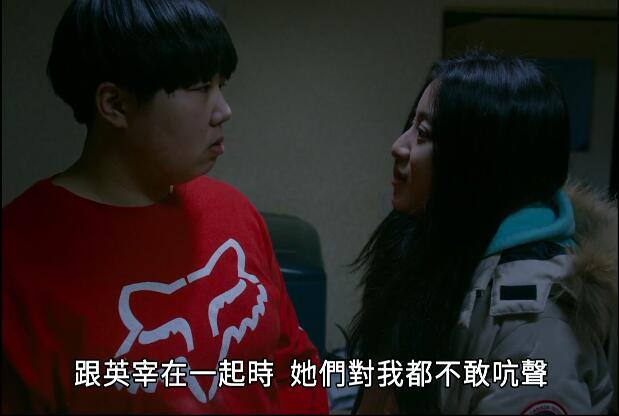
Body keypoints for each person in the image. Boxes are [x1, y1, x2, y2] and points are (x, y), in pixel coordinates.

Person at [1, 0, 328, 413]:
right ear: (115, 104)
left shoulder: (232, 211)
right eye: (200, 88)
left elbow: (293, 365)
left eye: (221, 85)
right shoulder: (18, 257)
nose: (224, 111)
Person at [348, 51, 617, 414]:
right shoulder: (425, 249)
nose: (398, 145)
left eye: (423, 133)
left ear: (479, 162)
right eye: (411, 124)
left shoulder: (532, 323)